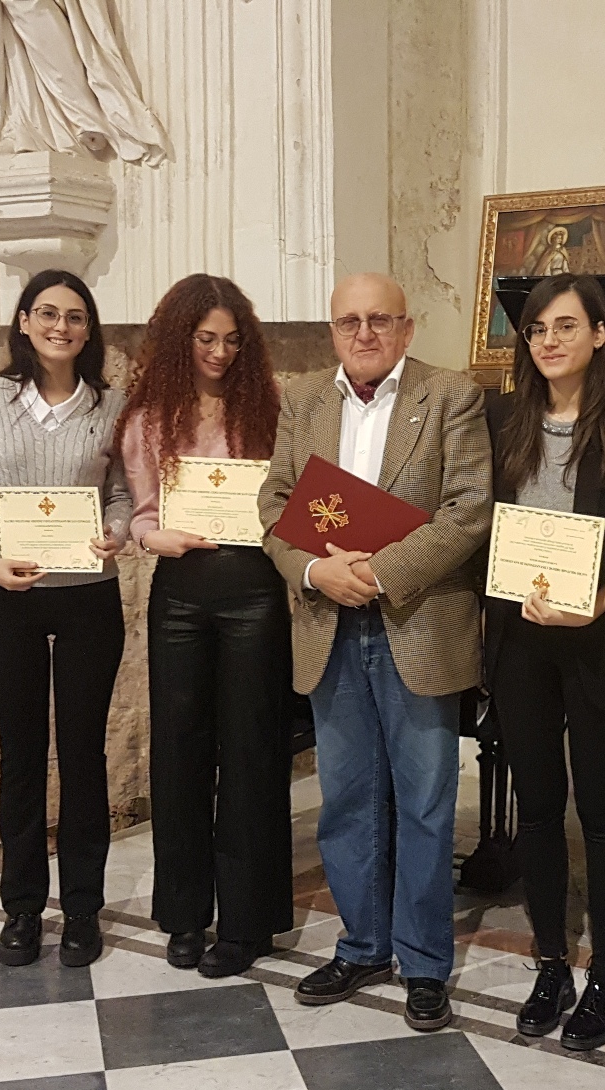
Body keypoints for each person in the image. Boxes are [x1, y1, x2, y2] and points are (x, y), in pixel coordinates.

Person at [258, 273, 492, 1032]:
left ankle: (423, 962)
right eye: (349, 321)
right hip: (328, 622)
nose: (365, 333)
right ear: (332, 330)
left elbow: (468, 511)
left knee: (424, 804)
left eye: (381, 320)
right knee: (347, 799)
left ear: (407, 328)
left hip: (416, 620)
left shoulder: (450, 395)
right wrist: (313, 571)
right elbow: (274, 505)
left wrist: (382, 571)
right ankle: (362, 945)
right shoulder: (304, 399)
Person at [484, 275, 605, 1051]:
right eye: (536, 329)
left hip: (599, 638)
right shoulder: (504, 417)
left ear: (599, 333)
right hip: (521, 637)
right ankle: (551, 963)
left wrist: (597, 603)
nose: (549, 341)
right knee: (535, 806)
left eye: (566, 326)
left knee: (600, 808)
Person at [0, 269, 131, 969]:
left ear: (89, 330)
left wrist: (116, 532)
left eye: (76, 317)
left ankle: (82, 908)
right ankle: (22, 907)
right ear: (24, 321)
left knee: (83, 754)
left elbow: (121, 494)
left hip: (88, 597)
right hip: (9, 597)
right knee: (21, 753)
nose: (61, 327)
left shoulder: (111, 405)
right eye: (48, 313)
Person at [117, 274, 292, 979]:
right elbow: (138, 511)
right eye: (206, 338)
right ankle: (185, 915)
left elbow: (290, 497)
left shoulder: (269, 408)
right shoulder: (147, 417)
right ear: (178, 338)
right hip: (182, 593)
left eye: (232, 340)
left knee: (253, 751)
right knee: (180, 751)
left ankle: (248, 922)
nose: (220, 352)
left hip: (254, 589)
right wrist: (148, 535)